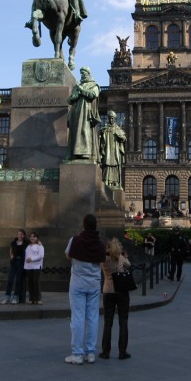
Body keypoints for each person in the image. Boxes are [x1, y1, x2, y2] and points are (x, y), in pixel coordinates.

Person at [64, 214, 105, 365]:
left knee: (78, 317)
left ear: (84, 225)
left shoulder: (75, 240)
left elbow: (68, 255)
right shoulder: (100, 244)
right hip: (94, 283)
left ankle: (77, 353)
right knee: (93, 317)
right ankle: (90, 352)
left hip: (78, 282)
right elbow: (102, 259)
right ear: (95, 226)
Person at [99, 237, 132, 360]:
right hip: (122, 292)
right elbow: (129, 265)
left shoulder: (103, 259)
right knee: (123, 321)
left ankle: (105, 351)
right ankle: (122, 352)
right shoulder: (120, 258)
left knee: (108, 322)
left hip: (108, 291)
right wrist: (125, 256)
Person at [65, 66, 100, 162]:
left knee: (84, 131)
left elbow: (93, 95)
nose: (82, 75)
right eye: (81, 73)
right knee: (75, 132)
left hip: (85, 112)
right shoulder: (77, 86)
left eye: (83, 73)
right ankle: (74, 153)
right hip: (76, 112)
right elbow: (69, 100)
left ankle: (84, 153)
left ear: (88, 74)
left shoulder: (94, 85)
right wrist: (74, 97)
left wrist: (82, 90)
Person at [99, 110, 127, 187]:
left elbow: (124, 138)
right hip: (107, 150)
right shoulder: (105, 129)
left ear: (115, 119)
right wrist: (101, 133)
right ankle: (106, 181)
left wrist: (120, 137)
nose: (111, 120)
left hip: (115, 151)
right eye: (110, 118)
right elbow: (100, 139)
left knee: (115, 165)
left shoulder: (118, 129)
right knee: (107, 165)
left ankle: (115, 182)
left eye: (112, 118)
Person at [1, 230, 29, 305]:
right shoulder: (13, 243)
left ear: (24, 235)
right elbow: (11, 250)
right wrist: (11, 256)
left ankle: (15, 297)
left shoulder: (26, 243)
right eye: (18, 234)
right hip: (14, 262)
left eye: (21, 234)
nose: (19, 236)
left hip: (21, 262)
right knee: (10, 280)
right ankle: (7, 297)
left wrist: (39, 243)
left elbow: (32, 246)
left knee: (18, 281)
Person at [24, 232, 45, 305]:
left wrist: (31, 259)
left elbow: (41, 256)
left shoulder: (40, 246)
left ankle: (38, 298)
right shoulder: (28, 246)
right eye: (31, 237)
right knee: (30, 282)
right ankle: (31, 298)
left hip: (36, 266)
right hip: (29, 267)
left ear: (37, 238)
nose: (32, 238)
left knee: (35, 281)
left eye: (34, 237)